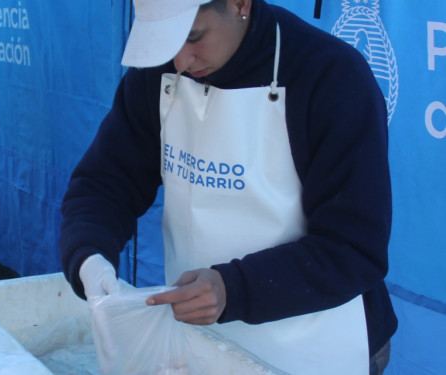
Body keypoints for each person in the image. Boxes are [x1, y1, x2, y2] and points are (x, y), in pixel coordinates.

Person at [58, 0, 397, 373]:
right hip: (201, 339)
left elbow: (354, 247)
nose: (181, 62)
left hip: (317, 340)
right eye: (167, 43)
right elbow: (106, 182)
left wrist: (231, 288)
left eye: (193, 37)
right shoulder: (158, 72)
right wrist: (89, 256)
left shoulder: (330, 76)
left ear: (239, 4)